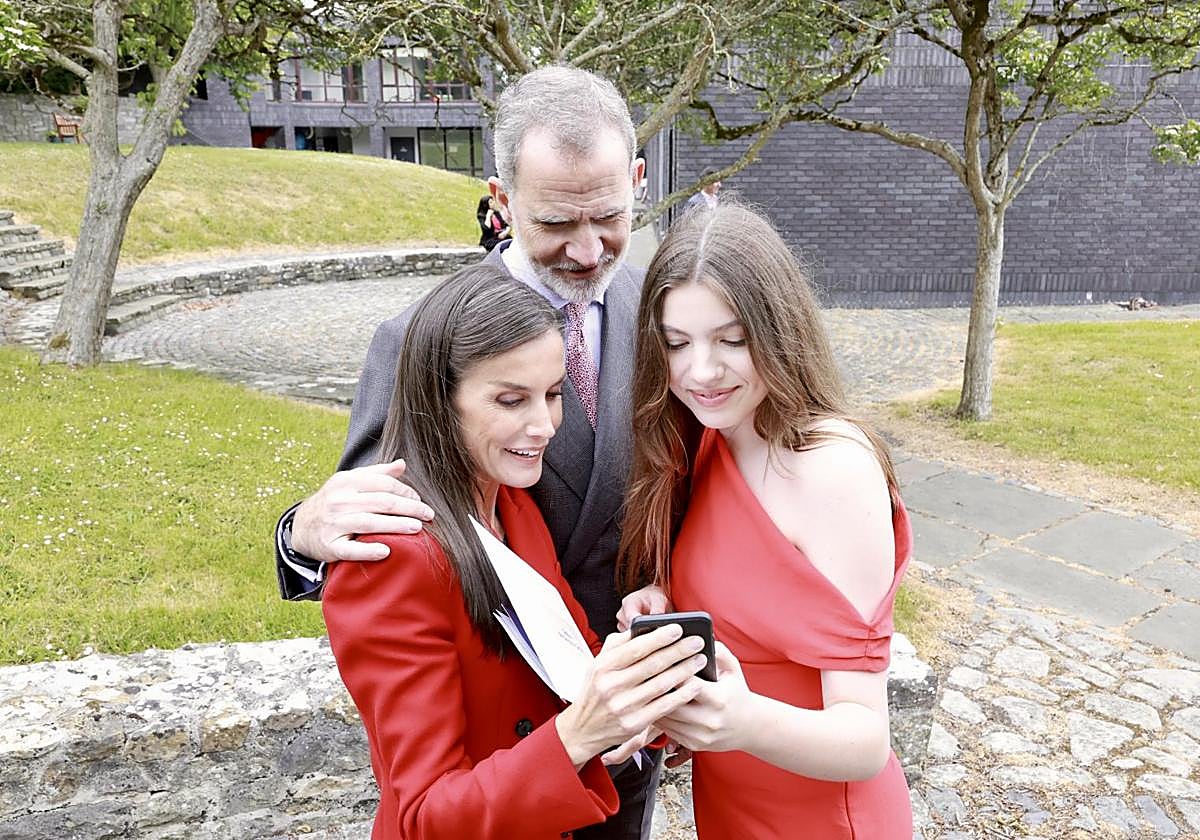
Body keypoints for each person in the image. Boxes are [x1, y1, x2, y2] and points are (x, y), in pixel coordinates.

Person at [272, 65, 659, 839]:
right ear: (502, 200)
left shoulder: (662, 309)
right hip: (497, 760)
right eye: (555, 223)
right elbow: (381, 537)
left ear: (639, 181)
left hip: (622, 743)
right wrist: (299, 537)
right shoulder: (419, 338)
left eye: (610, 216)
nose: (588, 252)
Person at [322, 265, 707, 840]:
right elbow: (424, 816)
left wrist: (646, 697)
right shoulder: (388, 560)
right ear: (439, 400)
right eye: (510, 400)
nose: (545, 426)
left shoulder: (512, 504)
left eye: (553, 395)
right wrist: (578, 734)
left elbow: (570, 661)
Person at [616, 203, 914, 839]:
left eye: (731, 340)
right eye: (676, 344)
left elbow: (865, 740)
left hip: (823, 820)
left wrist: (742, 722)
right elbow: (757, 595)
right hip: (729, 807)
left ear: (779, 330)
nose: (701, 371)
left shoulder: (833, 470)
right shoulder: (708, 435)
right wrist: (666, 604)